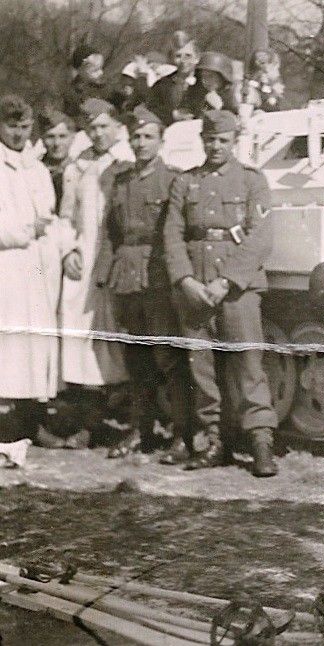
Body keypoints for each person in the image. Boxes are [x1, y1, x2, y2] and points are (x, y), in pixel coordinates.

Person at [163, 109, 278, 477]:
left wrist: (226, 281)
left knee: (248, 365)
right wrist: (185, 280)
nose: (215, 146)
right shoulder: (185, 182)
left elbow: (260, 238)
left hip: (237, 289)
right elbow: (172, 235)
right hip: (195, 287)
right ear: (202, 141)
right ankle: (215, 442)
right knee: (202, 369)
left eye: (222, 140)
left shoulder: (252, 181)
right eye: (209, 139)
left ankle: (260, 442)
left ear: (234, 141)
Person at [94, 106, 190, 460]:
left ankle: (182, 435)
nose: (141, 143)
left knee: (169, 357)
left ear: (161, 141)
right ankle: (141, 430)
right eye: (136, 136)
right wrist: (104, 274)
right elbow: (111, 232)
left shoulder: (173, 180)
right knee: (136, 358)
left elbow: (177, 232)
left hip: (158, 278)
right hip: (126, 277)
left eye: (148, 136)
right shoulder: (121, 182)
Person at [0, 95, 79, 446]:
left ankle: (31, 424)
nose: (18, 134)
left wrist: (67, 248)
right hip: (7, 264)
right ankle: (7, 429)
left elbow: (52, 216)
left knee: (34, 346)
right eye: (11, 127)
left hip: (37, 266)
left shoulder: (36, 168)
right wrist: (24, 231)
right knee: (9, 346)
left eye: (24, 127)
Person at [58, 98, 132, 446]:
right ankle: (88, 422)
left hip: (118, 260)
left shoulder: (128, 161)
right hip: (85, 261)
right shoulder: (78, 166)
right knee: (83, 339)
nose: (98, 133)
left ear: (116, 126)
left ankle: (128, 423)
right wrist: (67, 249)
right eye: (93, 128)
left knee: (118, 337)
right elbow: (65, 216)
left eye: (104, 126)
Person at [147, 31, 200, 125]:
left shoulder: (206, 82)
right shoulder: (162, 85)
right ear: (172, 58)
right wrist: (173, 115)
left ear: (197, 58)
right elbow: (152, 108)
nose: (183, 60)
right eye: (178, 56)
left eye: (188, 55)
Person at [178, 51, 239, 120]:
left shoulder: (229, 97)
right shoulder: (196, 93)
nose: (205, 80)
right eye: (203, 76)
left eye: (210, 76)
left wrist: (219, 108)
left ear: (223, 78)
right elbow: (183, 112)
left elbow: (235, 120)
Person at [36, 108, 76, 211]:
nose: (57, 143)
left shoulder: (80, 171)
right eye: (50, 137)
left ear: (72, 137)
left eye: (62, 136)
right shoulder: (34, 171)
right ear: (42, 138)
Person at [63, 45, 112, 120]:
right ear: (80, 70)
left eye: (101, 68)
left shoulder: (104, 88)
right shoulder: (73, 92)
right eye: (95, 70)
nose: (101, 73)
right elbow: (71, 115)